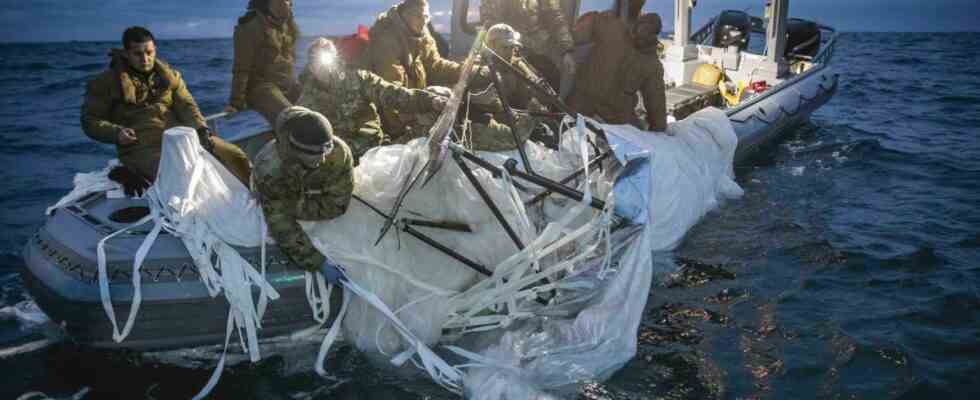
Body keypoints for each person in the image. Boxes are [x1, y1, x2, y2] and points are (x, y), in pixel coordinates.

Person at [81, 26, 252, 186]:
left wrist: (201, 130)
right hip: (140, 147)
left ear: (155, 50)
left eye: (149, 52)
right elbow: (90, 121)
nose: (145, 59)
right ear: (126, 54)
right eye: (137, 54)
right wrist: (116, 133)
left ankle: (258, 200)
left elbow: (187, 106)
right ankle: (130, 171)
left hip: (180, 137)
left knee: (235, 155)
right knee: (181, 177)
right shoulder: (105, 84)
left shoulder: (171, 76)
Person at [297, 38, 448, 159]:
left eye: (327, 61)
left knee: (435, 104)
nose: (324, 68)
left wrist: (430, 101)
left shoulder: (359, 79)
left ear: (335, 59)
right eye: (317, 63)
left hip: (375, 151)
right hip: (339, 163)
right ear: (310, 67)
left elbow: (395, 95)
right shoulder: (306, 101)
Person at [253, 106, 353, 281]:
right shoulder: (269, 169)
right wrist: (317, 262)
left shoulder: (338, 152)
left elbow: (338, 204)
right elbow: (281, 223)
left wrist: (296, 205)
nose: (322, 158)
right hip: (280, 190)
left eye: (325, 150)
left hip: (302, 194)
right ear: (296, 149)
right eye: (313, 153)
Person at [362, 0, 462, 142]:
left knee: (448, 97)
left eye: (426, 17)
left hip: (412, 103)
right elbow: (391, 92)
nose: (423, 22)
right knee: (438, 106)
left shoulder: (421, 34)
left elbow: (435, 66)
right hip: (393, 118)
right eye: (418, 16)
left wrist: (467, 71)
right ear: (404, 15)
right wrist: (403, 130)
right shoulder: (387, 40)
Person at [568, 12, 667, 131]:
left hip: (615, 118)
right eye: (643, 25)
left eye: (649, 30)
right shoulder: (613, 28)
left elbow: (656, 103)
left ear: (654, 34)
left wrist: (659, 129)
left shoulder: (652, 65)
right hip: (582, 104)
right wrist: (569, 40)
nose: (643, 31)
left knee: (635, 137)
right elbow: (593, 20)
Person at [465, 23, 553, 151]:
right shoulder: (480, 71)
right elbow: (494, 110)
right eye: (505, 47)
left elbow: (533, 94)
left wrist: (541, 106)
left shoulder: (516, 65)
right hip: (498, 129)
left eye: (513, 47)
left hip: (519, 123)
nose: (510, 52)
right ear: (492, 46)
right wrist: (526, 119)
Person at [224, 0, 301, 125]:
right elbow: (241, 68)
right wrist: (235, 103)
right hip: (262, 88)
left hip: (286, 85)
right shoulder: (249, 27)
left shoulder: (285, 25)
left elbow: (289, 59)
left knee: (317, 108)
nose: (289, 5)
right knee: (293, 119)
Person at [478, 0, 576, 98]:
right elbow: (490, 25)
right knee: (510, 79)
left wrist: (566, 50)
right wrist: (507, 46)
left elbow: (556, 19)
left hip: (541, 45)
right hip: (510, 44)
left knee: (566, 68)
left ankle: (556, 107)